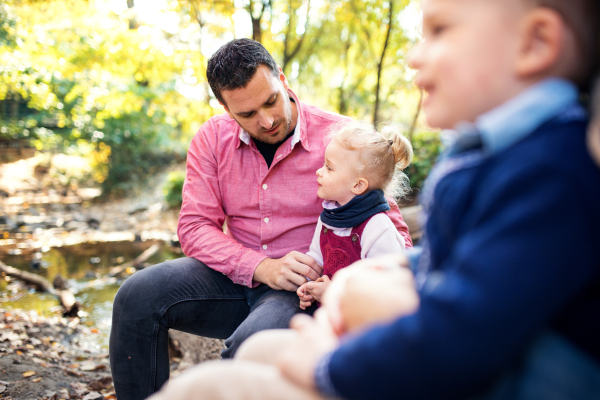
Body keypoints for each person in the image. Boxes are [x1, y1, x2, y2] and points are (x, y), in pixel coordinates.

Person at [147, 0, 600, 399]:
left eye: (440, 31)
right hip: (279, 288)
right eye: (246, 113)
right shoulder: (492, 158)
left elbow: (464, 330)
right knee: (243, 339)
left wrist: (332, 364)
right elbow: (469, 268)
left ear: (536, 43)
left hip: (487, 374)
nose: (413, 54)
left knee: (206, 388)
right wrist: (397, 269)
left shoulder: (550, 171)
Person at [109, 38, 412, 400]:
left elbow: (393, 234)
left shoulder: (344, 141)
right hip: (232, 275)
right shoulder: (211, 139)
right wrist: (260, 266)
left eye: (271, 101)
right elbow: (193, 227)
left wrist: (343, 286)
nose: (267, 120)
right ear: (225, 107)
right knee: (135, 298)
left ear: (283, 80)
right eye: (248, 114)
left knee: (249, 347)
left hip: (299, 291)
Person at [297, 121, 412, 310]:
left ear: (358, 185)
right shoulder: (330, 217)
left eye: (329, 168)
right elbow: (317, 259)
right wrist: (309, 283)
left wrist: (334, 293)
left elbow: (385, 290)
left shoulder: (377, 228)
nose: (319, 171)